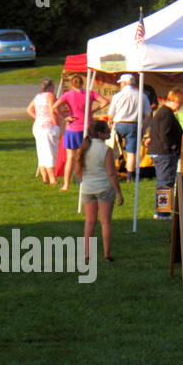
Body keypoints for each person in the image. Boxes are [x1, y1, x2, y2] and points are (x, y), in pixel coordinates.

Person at [53, 75, 108, 192]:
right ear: (83, 83)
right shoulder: (90, 93)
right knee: (88, 155)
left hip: (72, 127)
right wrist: (93, 110)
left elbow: (54, 107)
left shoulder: (68, 95)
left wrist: (65, 117)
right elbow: (104, 101)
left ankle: (66, 184)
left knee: (70, 157)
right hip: (87, 126)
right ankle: (89, 181)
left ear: (72, 84)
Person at [76, 119, 121, 261]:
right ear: (101, 134)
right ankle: (107, 254)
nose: (109, 133)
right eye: (107, 131)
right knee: (105, 222)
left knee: (89, 222)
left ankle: (87, 254)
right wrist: (119, 192)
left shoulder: (83, 148)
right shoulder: (106, 150)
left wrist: (84, 181)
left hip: (88, 188)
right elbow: (111, 173)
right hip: (104, 188)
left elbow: (77, 170)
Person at [108, 73, 151, 182]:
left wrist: (110, 125)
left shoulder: (117, 96)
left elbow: (111, 115)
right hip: (134, 124)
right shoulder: (142, 96)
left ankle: (111, 174)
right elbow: (148, 114)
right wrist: (143, 127)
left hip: (119, 123)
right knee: (132, 152)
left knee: (113, 148)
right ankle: (129, 177)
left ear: (124, 83)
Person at [148, 89, 183, 210]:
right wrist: (172, 146)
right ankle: (162, 211)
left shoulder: (163, 112)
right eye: (179, 102)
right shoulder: (166, 114)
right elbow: (164, 133)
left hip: (160, 151)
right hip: (164, 153)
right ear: (173, 101)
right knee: (165, 182)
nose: (180, 105)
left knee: (164, 182)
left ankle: (163, 209)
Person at [26, 78, 60, 185]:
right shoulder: (50, 96)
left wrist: (37, 117)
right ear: (50, 87)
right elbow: (52, 109)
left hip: (38, 126)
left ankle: (45, 178)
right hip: (48, 126)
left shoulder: (38, 96)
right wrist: (56, 122)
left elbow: (29, 109)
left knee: (41, 153)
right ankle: (53, 179)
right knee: (51, 153)